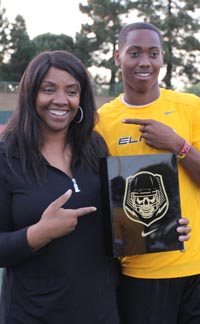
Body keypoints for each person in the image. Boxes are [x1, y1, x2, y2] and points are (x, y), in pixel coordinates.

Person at [0, 50, 121, 323]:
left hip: (100, 312)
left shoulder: (95, 147)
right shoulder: (6, 157)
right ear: (31, 94)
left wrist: (160, 227)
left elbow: (119, 224)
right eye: (48, 89)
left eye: (71, 91)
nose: (61, 100)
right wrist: (39, 233)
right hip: (33, 313)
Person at [95, 22, 200, 324]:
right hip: (140, 274)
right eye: (135, 53)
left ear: (162, 59)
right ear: (118, 56)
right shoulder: (102, 122)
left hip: (195, 266)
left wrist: (178, 145)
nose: (145, 62)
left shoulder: (190, 107)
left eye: (153, 54)